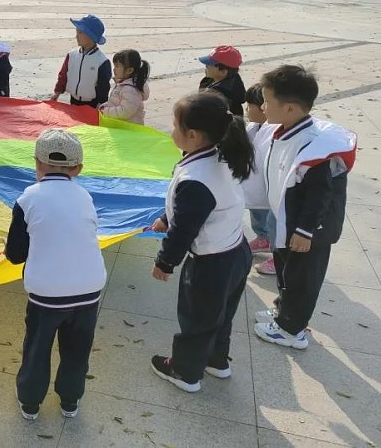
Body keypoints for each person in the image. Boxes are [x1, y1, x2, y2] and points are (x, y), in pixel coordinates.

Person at [148, 91, 253, 393]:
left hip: (211, 263)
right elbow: (195, 209)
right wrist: (166, 217)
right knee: (220, 314)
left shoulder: (196, 178)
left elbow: (185, 229)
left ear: (192, 135)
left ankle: (185, 372)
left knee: (197, 318)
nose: (171, 129)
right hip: (236, 251)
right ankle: (216, 361)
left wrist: (165, 261)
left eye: (173, 124)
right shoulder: (219, 153)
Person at [5, 129, 106, 420]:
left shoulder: (28, 199)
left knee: (37, 348)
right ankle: (70, 401)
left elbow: (16, 255)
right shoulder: (85, 196)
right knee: (77, 350)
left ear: (36, 163)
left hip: (46, 295)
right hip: (89, 290)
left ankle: (30, 402)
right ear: (78, 169)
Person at [254, 65, 357, 350]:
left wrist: (305, 230)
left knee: (302, 279)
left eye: (266, 100)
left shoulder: (315, 146)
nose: (262, 106)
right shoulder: (286, 130)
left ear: (288, 108)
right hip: (290, 220)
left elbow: (319, 194)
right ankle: (283, 313)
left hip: (309, 229)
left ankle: (291, 330)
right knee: (287, 270)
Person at [241, 84, 276, 275]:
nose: (247, 109)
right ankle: (263, 237)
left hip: (272, 186)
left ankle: (279, 257)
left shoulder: (277, 131)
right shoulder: (253, 127)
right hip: (255, 183)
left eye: (250, 105)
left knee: (275, 219)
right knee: (258, 211)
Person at [50, 15, 112, 108]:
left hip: (92, 104)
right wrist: (57, 93)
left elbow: (103, 87)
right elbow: (63, 75)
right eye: (76, 32)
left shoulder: (102, 61)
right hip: (73, 100)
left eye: (80, 33)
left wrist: (101, 104)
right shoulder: (72, 55)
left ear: (91, 36)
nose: (76, 36)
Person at [98, 49, 151, 124]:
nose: (114, 69)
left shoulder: (131, 89)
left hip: (129, 129)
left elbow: (125, 111)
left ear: (129, 70)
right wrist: (105, 106)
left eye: (117, 66)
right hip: (121, 126)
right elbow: (116, 102)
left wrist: (106, 111)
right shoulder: (123, 84)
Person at [198, 45, 246, 116]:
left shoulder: (218, 94)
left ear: (223, 71)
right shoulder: (232, 77)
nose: (206, 66)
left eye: (210, 64)